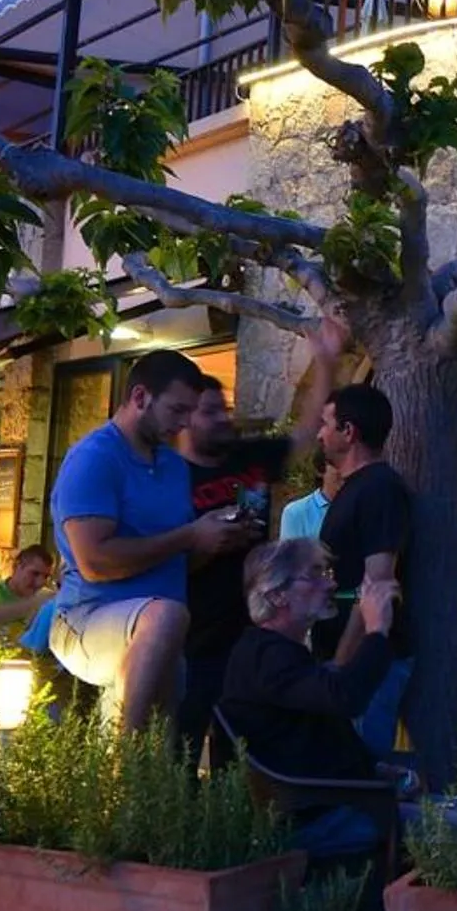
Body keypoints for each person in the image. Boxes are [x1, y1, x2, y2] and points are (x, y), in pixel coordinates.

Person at [48, 348, 251, 731]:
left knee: (162, 754)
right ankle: (123, 764)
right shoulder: (94, 458)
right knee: (167, 616)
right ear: (140, 398)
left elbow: (174, 561)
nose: (186, 422)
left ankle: (126, 775)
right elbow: (94, 562)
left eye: (191, 411)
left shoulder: (174, 465)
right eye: (177, 410)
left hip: (159, 632)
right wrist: (189, 534)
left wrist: (210, 542)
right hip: (87, 619)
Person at [177, 319, 343, 752]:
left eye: (224, 408)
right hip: (190, 638)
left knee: (244, 753)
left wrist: (326, 362)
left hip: (250, 635)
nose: (222, 418)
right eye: (209, 411)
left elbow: (305, 435)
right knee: (182, 750)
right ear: (183, 419)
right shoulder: (169, 478)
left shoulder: (246, 458)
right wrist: (204, 544)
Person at [217, 537, 402, 858]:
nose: (330, 584)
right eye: (315, 575)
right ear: (277, 595)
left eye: (326, 573)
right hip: (314, 819)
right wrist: (376, 631)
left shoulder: (276, 651)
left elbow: (320, 726)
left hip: (334, 803)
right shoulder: (264, 656)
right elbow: (345, 697)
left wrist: (376, 768)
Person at [316, 383, 413, 755]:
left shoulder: (379, 489)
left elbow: (377, 582)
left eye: (326, 423)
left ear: (348, 431)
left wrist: (343, 662)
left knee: (360, 763)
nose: (320, 433)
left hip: (365, 664)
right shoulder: (356, 488)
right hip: (348, 657)